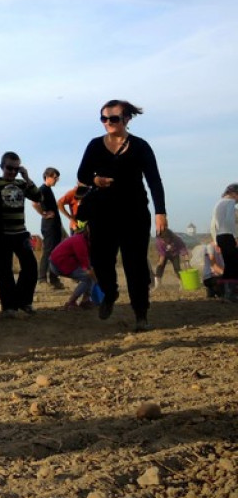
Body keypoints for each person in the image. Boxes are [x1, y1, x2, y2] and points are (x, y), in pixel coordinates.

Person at [76, 100, 166, 332]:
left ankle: (141, 315)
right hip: (102, 214)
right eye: (103, 119)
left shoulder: (140, 146)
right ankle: (110, 292)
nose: (108, 123)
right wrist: (95, 180)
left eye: (113, 118)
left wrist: (160, 212)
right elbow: (83, 174)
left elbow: (154, 180)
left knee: (135, 265)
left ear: (126, 119)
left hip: (134, 213)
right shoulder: (95, 146)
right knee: (101, 261)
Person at [0, 152, 42, 317]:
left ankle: (24, 301)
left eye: (16, 169)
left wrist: (27, 178)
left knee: (31, 267)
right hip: (3, 234)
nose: (12, 172)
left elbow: (38, 196)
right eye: (9, 168)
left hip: (21, 232)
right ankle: (9, 307)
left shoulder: (22, 184)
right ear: (2, 166)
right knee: (5, 271)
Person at [49, 224, 96, 310]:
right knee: (89, 278)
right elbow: (87, 269)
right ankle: (71, 302)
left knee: (92, 276)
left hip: (64, 262)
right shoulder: (79, 242)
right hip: (58, 264)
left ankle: (85, 301)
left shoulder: (84, 239)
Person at [35, 167, 65, 289]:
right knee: (48, 251)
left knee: (55, 252)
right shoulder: (42, 189)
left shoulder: (48, 189)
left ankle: (54, 279)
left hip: (55, 225)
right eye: (55, 177)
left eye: (57, 177)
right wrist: (43, 213)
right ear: (47, 177)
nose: (56, 179)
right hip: (49, 226)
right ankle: (42, 279)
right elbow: (34, 203)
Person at [210, 183, 238, 300]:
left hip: (220, 236)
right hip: (228, 235)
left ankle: (223, 292)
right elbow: (230, 221)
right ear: (234, 194)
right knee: (234, 264)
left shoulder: (219, 203)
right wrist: (236, 236)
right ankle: (230, 293)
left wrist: (216, 241)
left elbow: (212, 225)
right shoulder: (230, 202)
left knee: (229, 264)